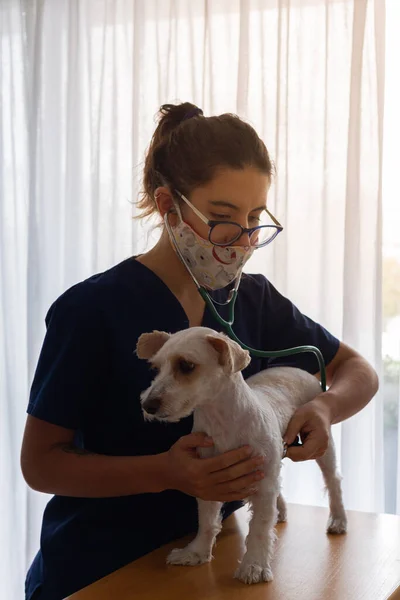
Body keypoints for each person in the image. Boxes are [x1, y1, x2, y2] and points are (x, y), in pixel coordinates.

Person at [22, 102, 378, 600]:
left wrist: (323, 406)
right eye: (223, 217)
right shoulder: (90, 309)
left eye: (255, 217)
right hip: (99, 567)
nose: (244, 239)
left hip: (211, 560)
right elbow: (40, 465)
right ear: (170, 207)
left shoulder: (252, 297)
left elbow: (357, 370)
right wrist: (166, 472)